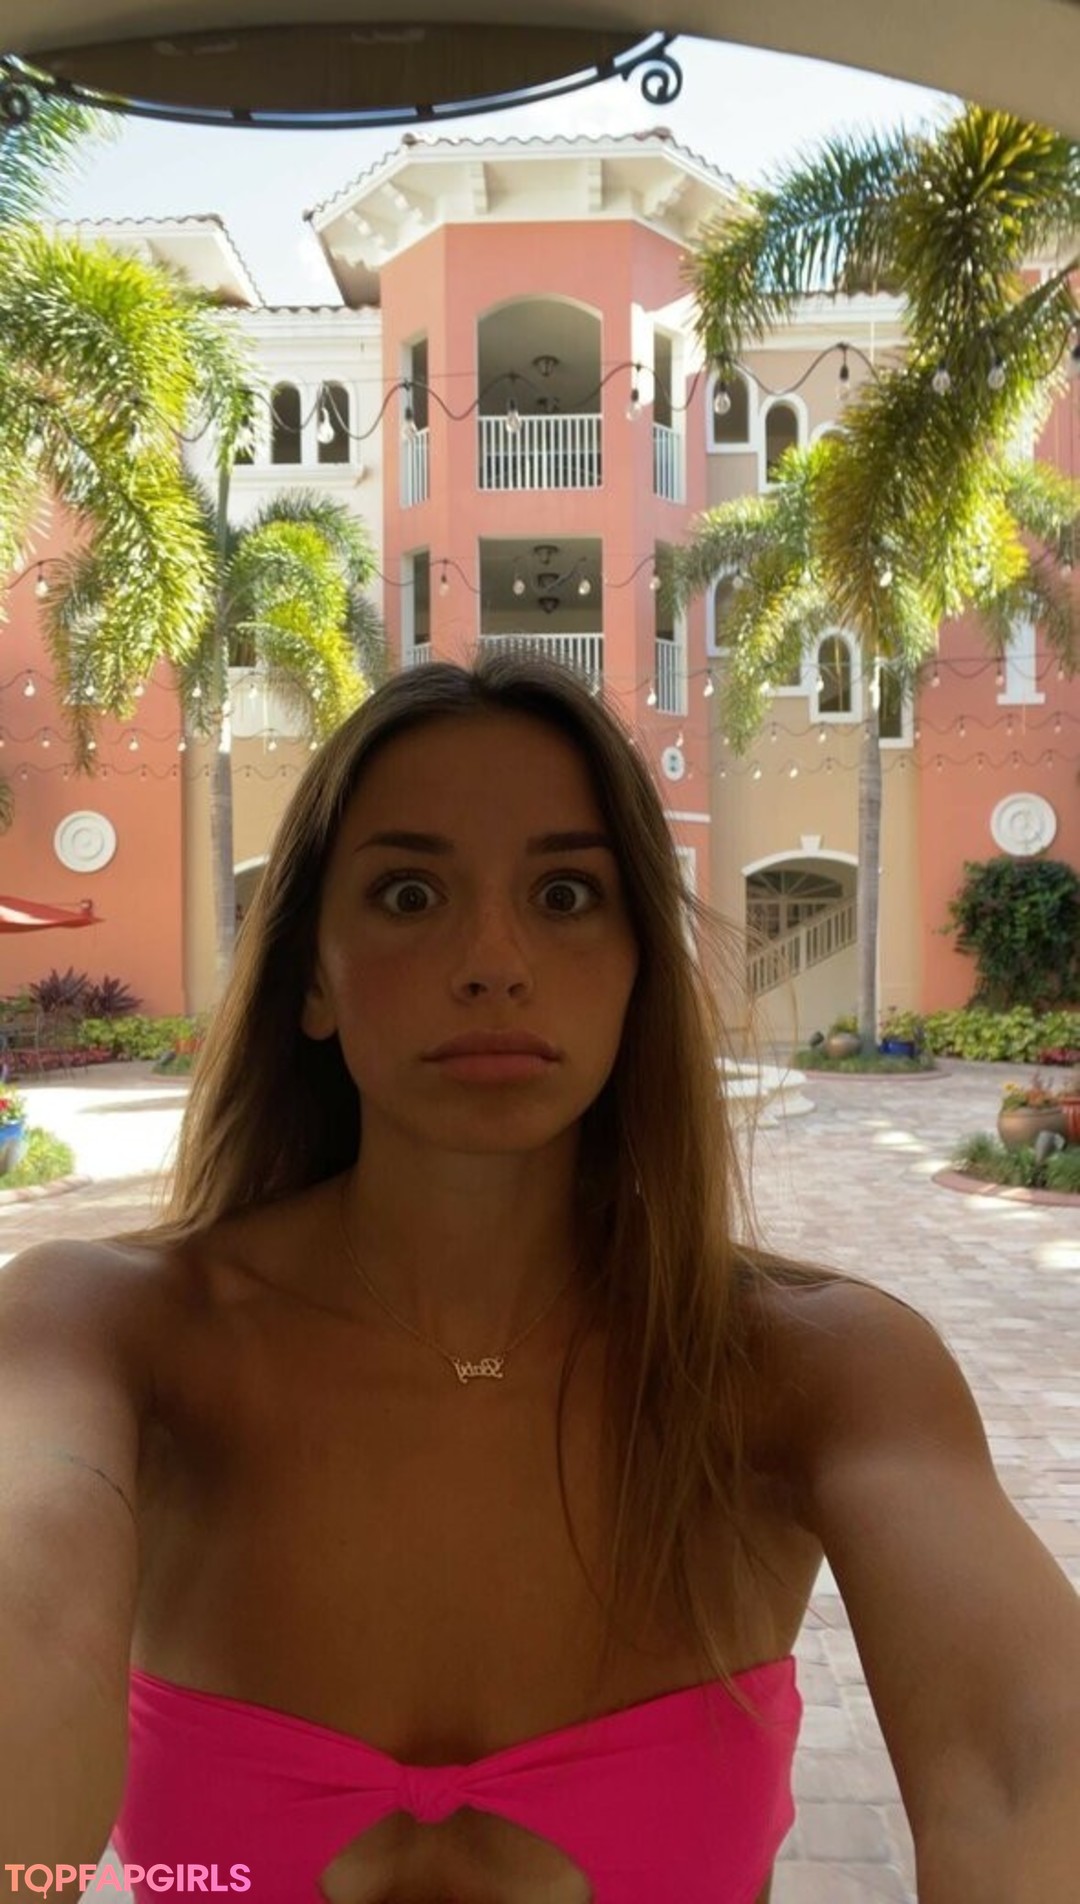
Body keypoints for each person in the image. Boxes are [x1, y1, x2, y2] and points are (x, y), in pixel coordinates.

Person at [1, 654, 1077, 1904]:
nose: (494, 960)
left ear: (637, 966)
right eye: (409, 893)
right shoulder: (107, 1331)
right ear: (312, 975)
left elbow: (1026, 1763)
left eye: (566, 893)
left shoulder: (820, 1367)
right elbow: (28, 1606)